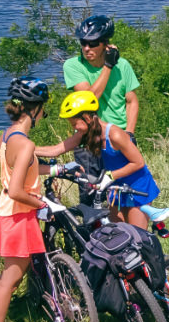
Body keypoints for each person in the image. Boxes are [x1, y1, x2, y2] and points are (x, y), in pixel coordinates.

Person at [0, 76, 67, 322]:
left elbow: (22, 170)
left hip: (4, 214)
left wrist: (55, 170)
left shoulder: (9, 136)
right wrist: (43, 204)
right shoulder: (26, 144)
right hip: (18, 216)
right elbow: (18, 190)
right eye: (44, 109)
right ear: (36, 109)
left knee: (6, 275)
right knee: (11, 279)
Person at [62, 14, 169, 225]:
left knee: (126, 194)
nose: (86, 48)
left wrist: (129, 134)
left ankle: (132, 245)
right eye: (83, 43)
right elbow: (89, 99)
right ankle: (97, 247)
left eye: (93, 43)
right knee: (91, 197)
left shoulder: (123, 66)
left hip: (117, 139)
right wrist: (107, 67)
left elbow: (132, 101)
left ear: (105, 44)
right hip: (92, 140)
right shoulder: (73, 66)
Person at [39, 90, 161, 230]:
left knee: (137, 237)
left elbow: (139, 163)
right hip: (117, 188)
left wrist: (110, 176)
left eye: (74, 124)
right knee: (117, 235)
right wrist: (28, 149)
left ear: (87, 118)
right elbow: (56, 150)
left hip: (137, 187)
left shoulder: (115, 135)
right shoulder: (85, 133)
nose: (74, 128)